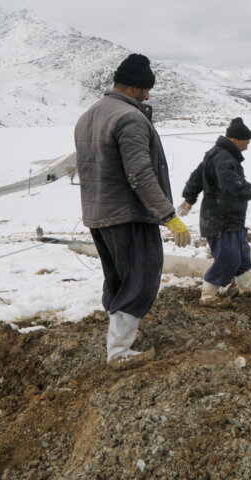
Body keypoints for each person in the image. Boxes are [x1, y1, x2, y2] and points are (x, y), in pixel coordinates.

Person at [74, 53, 191, 369]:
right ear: (136, 87)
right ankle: (120, 353)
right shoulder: (130, 118)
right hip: (128, 214)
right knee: (141, 276)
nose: (148, 95)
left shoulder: (88, 116)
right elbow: (140, 174)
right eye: (146, 89)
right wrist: (169, 216)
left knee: (118, 278)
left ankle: (119, 342)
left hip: (98, 214)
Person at [177, 117, 251, 304]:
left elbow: (197, 177)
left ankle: (246, 288)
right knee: (228, 258)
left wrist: (189, 199)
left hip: (231, 219)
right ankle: (208, 294)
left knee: (242, 255)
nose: (247, 145)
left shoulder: (218, 155)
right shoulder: (223, 158)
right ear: (235, 140)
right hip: (220, 220)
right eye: (246, 141)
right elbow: (231, 183)